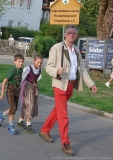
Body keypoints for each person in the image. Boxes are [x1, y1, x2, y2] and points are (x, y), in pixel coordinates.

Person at [39, 25, 97, 156]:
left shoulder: (76, 50)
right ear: (65, 34)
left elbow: (82, 70)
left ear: (76, 35)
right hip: (60, 85)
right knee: (63, 116)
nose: (71, 35)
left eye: (74, 33)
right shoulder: (57, 48)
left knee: (58, 111)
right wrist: (56, 71)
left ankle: (44, 130)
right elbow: (48, 67)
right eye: (69, 32)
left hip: (70, 86)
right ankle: (65, 143)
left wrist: (91, 84)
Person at [0, 53, 25, 135]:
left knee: (14, 108)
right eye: (19, 61)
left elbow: (19, 80)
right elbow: (4, 81)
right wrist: (2, 93)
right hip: (10, 91)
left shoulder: (21, 70)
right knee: (13, 109)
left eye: (22, 61)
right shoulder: (13, 70)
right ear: (14, 62)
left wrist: (19, 86)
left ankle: (2, 115)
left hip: (17, 91)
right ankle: (10, 127)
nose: (21, 63)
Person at [17, 55, 43, 134]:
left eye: (41, 63)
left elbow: (38, 78)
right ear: (34, 61)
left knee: (29, 105)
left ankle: (20, 121)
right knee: (29, 105)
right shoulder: (28, 69)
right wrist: (20, 85)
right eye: (38, 62)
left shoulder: (39, 69)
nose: (39, 64)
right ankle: (28, 125)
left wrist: (35, 83)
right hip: (27, 88)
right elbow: (23, 77)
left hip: (33, 88)